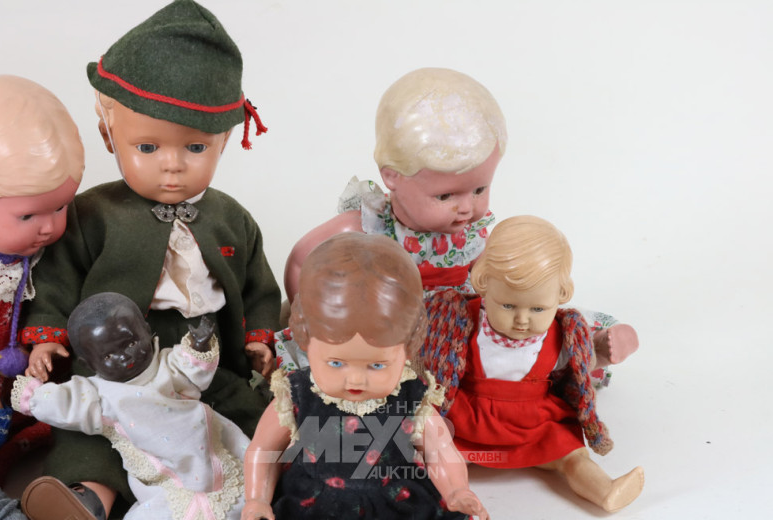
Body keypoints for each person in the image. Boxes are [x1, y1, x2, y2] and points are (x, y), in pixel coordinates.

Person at [19, 1, 281, 518]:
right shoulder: (93, 214)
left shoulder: (232, 218)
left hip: (205, 358)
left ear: (225, 141)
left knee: (250, 417)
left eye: (195, 148)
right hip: (115, 372)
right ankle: (88, 498)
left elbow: (257, 282)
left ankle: (271, 489)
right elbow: (57, 278)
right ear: (108, 135)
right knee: (96, 432)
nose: (172, 166)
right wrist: (46, 336)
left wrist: (258, 336)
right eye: (147, 147)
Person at [278, 67, 637, 379]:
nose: (467, 208)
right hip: (393, 328)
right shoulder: (368, 228)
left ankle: (591, 346)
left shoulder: (474, 234)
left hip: (465, 323)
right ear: (392, 176)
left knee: (526, 326)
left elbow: (506, 277)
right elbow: (300, 260)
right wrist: (314, 318)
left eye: (479, 189)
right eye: (446, 196)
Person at [242, 233, 488, 520]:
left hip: (395, 501)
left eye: (377, 365)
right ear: (306, 340)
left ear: (407, 349)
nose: (355, 380)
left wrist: (457, 490)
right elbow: (263, 450)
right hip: (314, 501)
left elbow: (440, 450)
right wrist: (257, 498)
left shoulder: (409, 397)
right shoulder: (297, 395)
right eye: (336, 363)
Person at [436, 216, 644, 513]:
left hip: (533, 422)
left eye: (537, 308)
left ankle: (605, 489)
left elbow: (578, 368)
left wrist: (601, 352)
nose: (522, 320)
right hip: (470, 418)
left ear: (561, 295)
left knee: (572, 454)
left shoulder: (561, 334)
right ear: (483, 284)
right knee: (437, 451)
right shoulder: (460, 320)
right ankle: (451, 494)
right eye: (508, 305)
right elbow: (431, 356)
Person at [12, 292, 248, 520]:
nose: (124, 356)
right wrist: (32, 395)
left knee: (246, 483)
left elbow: (192, 371)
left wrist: (199, 347)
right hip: (161, 476)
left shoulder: (168, 364)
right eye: (107, 356)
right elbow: (66, 401)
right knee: (162, 510)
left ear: (146, 329)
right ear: (89, 364)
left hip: (206, 448)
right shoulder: (98, 395)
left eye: (131, 342)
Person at [0, 74, 84, 484]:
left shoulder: (53, 251)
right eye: (28, 215)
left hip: (32, 383)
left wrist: (48, 338)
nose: (49, 227)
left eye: (60, 208)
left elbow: (64, 295)